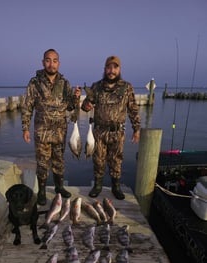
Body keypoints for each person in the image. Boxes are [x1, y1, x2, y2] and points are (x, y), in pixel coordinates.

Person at [21, 49, 81, 205]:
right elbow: (27, 106)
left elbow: (70, 108)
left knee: (59, 161)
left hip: (60, 131)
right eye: (48, 60)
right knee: (42, 162)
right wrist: (25, 128)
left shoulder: (65, 83)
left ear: (58, 63)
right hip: (42, 132)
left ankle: (59, 187)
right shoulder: (34, 82)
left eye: (55, 61)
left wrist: (76, 98)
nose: (51, 64)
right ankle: (41, 191)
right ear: (43, 62)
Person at [81, 55, 140, 200]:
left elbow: (133, 109)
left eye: (115, 67)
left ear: (119, 69)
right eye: (109, 67)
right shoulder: (96, 86)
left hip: (117, 132)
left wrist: (136, 129)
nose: (111, 70)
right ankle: (98, 186)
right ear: (104, 69)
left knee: (116, 160)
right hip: (99, 131)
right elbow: (85, 105)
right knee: (98, 160)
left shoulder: (127, 87)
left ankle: (116, 187)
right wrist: (86, 106)